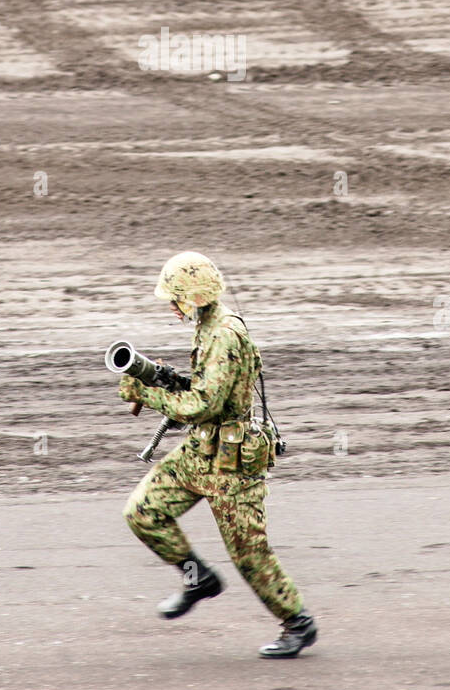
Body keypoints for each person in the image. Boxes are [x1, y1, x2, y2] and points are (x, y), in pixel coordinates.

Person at [119, 250, 317, 658]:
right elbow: (206, 392)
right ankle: (198, 579)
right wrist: (166, 382)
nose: (171, 307)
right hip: (201, 452)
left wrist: (146, 393)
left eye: (174, 298)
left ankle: (298, 623)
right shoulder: (207, 327)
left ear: (192, 297)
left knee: (248, 553)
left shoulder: (224, 334)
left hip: (232, 463)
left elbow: (201, 406)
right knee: (143, 513)